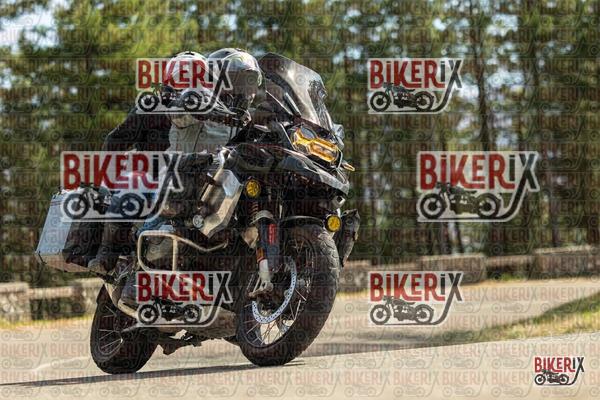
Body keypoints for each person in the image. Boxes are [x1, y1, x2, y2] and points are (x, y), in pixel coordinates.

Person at [88, 48, 262, 274]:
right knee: (134, 185)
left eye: (197, 78)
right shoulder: (162, 107)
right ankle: (110, 256)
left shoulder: (233, 116)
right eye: (184, 77)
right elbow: (115, 142)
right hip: (167, 183)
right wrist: (106, 183)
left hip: (206, 187)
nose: (191, 83)